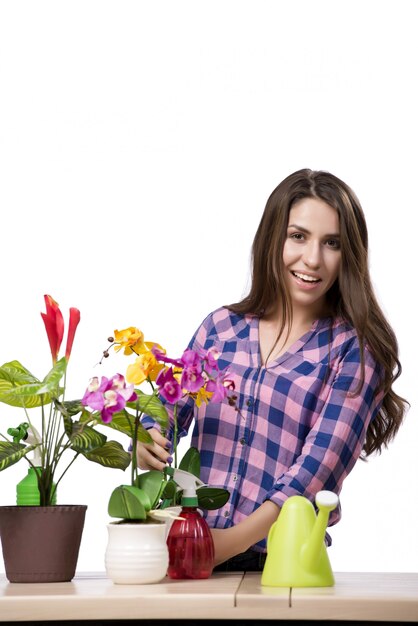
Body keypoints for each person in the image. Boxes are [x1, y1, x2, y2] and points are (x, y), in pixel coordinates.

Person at [137, 169, 407, 571]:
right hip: (190, 551)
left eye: (331, 243)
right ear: (272, 238)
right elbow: (166, 413)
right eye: (298, 236)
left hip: (281, 564)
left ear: (348, 254)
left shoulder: (353, 351)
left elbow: (317, 470)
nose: (312, 259)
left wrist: (226, 544)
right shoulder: (220, 329)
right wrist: (146, 438)